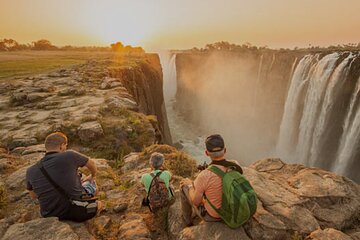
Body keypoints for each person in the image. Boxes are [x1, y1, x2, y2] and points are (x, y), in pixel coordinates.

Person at [26, 132, 100, 221]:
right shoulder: (69, 155)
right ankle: (93, 205)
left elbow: (34, 196)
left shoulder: (30, 171)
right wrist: (92, 175)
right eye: (66, 145)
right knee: (92, 184)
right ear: (61, 146)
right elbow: (91, 164)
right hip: (77, 212)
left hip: (49, 215)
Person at [180, 134, 243, 226]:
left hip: (215, 216)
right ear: (225, 150)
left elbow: (196, 201)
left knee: (183, 186)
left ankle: (187, 222)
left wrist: (190, 185)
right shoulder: (235, 165)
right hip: (234, 209)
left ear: (206, 153)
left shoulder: (204, 175)